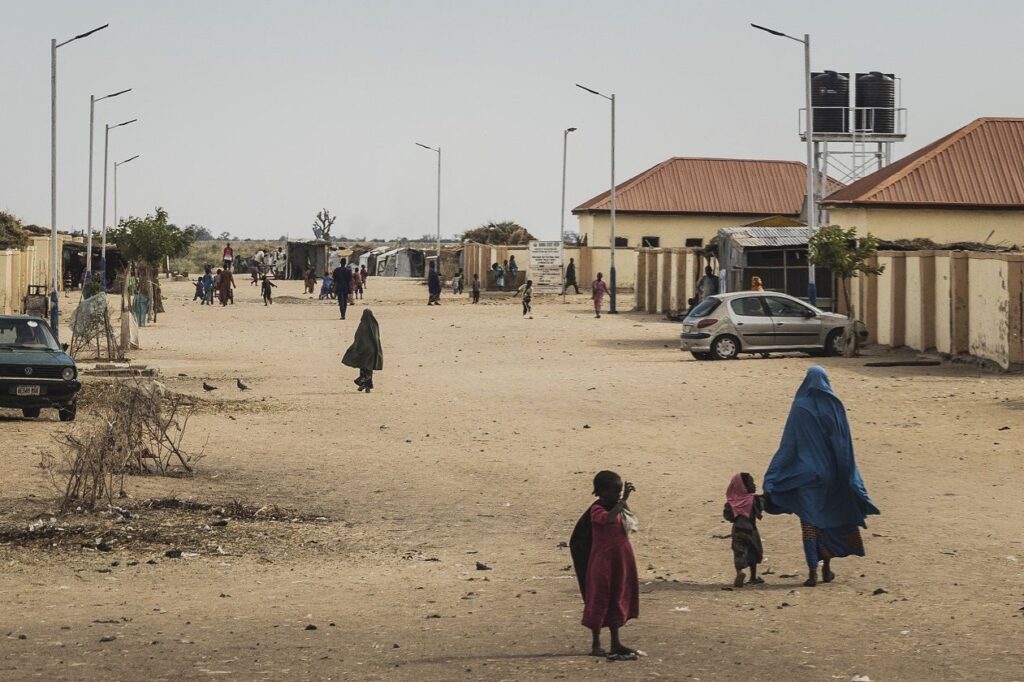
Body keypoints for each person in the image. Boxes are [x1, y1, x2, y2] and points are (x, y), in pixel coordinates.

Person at [763, 366, 880, 587]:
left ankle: (812, 572)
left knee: (809, 525)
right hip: (830, 475)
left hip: (805, 477)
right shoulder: (833, 407)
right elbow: (843, 445)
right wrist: (849, 476)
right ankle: (827, 569)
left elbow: (788, 446)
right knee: (828, 521)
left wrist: (772, 476)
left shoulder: (799, 408)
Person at [569, 470, 639, 660]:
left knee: (617, 597)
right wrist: (622, 500)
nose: (617, 494)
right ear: (601, 491)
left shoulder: (617, 506)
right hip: (603, 563)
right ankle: (596, 643)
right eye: (614, 491)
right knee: (599, 599)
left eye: (619, 491)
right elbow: (607, 520)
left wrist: (622, 501)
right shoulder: (597, 509)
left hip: (620, 561)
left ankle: (616, 642)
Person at [723, 473, 765, 588]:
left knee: (739, 553)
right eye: (751, 483)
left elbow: (728, 517)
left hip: (737, 531)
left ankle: (740, 572)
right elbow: (760, 509)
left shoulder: (732, 503)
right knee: (754, 551)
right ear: (744, 487)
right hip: (751, 531)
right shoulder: (754, 500)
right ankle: (753, 576)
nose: (754, 485)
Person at [342, 308, 384, 393]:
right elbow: (376, 338)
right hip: (373, 350)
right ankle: (366, 386)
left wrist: (355, 348)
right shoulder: (375, 324)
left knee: (363, 368)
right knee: (369, 368)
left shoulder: (362, 325)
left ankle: (363, 384)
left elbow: (358, 338)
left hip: (364, 350)